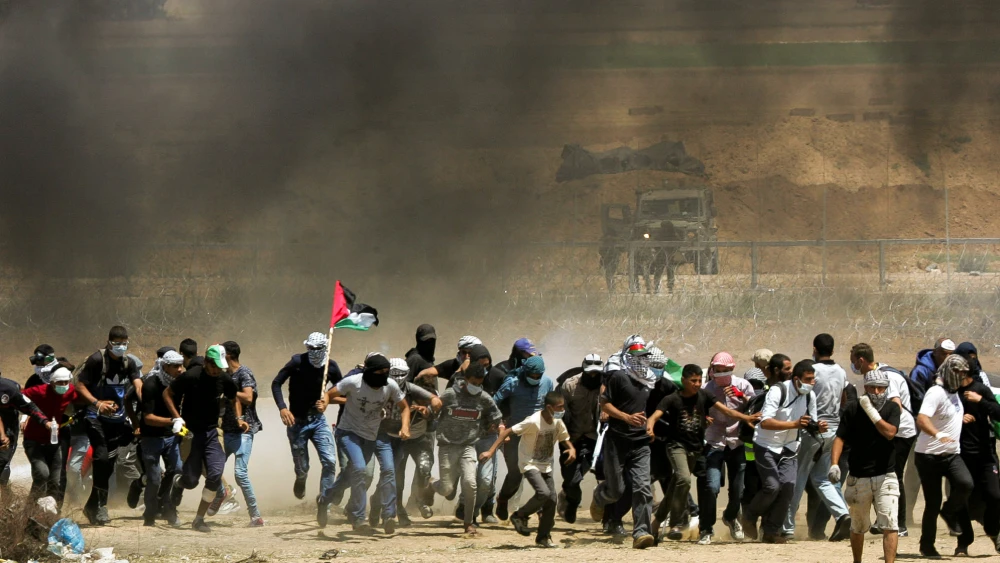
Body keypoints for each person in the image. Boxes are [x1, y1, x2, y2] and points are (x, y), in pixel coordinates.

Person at [648, 362, 758, 544]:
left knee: (677, 484)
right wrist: (650, 428)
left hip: (697, 449)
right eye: (693, 381)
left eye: (699, 380)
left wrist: (746, 417)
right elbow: (654, 416)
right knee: (683, 478)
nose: (697, 384)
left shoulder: (704, 395)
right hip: (677, 446)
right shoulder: (672, 398)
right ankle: (677, 521)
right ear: (683, 380)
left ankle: (657, 521)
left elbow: (727, 411)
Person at [165, 344, 245, 532]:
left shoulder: (224, 379)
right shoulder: (191, 376)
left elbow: (235, 398)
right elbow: (167, 393)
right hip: (190, 433)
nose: (217, 370)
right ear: (206, 363)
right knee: (191, 481)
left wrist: (239, 418)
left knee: (215, 475)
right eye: (214, 366)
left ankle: (199, 519)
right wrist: (177, 417)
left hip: (212, 432)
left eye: (220, 366)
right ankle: (179, 483)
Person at [326, 353, 409, 535]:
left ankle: (388, 516)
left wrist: (405, 426)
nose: (384, 375)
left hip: (378, 434)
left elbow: (405, 407)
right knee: (361, 471)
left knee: (388, 470)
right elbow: (329, 395)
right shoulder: (354, 381)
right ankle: (344, 508)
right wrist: (333, 402)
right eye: (381, 371)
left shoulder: (391, 385)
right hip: (352, 432)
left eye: (387, 372)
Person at [742, 359, 823, 544]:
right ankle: (749, 515)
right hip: (766, 445)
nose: (812, 383)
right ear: (796, 379)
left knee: (788, 488)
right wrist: (793, 424)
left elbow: (810, 422)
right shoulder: (779, 391)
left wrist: (818, 427)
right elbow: (765, 422)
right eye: (808, 379)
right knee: (772, 486)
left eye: (813, 379)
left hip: (790, 448)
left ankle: (771, 531)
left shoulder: (810, 396)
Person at [482, 391, 575, 548]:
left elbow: (564, 438)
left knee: (551, 500)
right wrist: (491, 451)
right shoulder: (533, 421)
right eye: (559, 407)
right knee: (543, 493)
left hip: (546, 465)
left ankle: (543, 537)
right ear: (549, 407)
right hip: (529, 463)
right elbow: (507, 431)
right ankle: (520, 515)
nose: (562, 410)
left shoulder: (557, 422)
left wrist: (571, 449)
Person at [589, 335, 657, 549]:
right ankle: (600, 495)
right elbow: (604, 404)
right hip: (617, 442)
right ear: (628, 357)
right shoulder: (618, 377)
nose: (640, 360)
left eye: (643, 356)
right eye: (636, 356)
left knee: (643, 488)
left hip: (640, 443)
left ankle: (641, 532)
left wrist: (651, 424)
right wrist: (626, 417)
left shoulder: (650, 380)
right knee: (616, 490)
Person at [271, 332, 343, 526]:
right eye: (311, 349)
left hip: (318, 420)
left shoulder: (331, 366)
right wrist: (282, 408)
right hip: (297, 421)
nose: (314, 352)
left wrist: (327, 401)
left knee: (329, 461)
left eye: (318, 349)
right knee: (303, 467)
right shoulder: (297, 362)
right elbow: (276, 383)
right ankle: (301, 478)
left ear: (325, 349)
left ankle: (324, 503)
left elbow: (341, 392)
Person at [73, 325, 143, 525]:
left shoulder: (128, 363)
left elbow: (137, 381)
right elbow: (80, 384)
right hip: (95, 417)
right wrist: (97, 403)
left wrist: (141, 391)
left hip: (117, 420)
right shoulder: (97, 360)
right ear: (109, 342)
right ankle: (101, 506)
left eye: (124, 344)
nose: (121, 347)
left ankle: (93, 505)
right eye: (117, 344)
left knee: (108, 466)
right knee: (102, 459)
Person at [829, 369, 901, 563]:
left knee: (890, 523)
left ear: (886, 388)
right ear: (865, 387)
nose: (876, 392)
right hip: (858, 476)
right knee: (858, 526)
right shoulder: (853, 409)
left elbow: (890, 433)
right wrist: (834, 464)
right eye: (872, 387)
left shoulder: (892, 408)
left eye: (881, 388)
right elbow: (840, 437)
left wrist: (871, 411)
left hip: (886, 475)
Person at [785, 334, 851, 541]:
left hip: (813, 429)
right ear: (832, 349)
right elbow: (844, 399)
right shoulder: (840, 371)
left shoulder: (812, 372)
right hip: (833, 429)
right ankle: (842, 515)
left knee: (799, 476)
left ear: (814, 348)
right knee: (822, 478)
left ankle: (787, 526)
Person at [850, 343, 915, 537]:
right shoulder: (878, 373)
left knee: (893, 475)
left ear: (861, 360)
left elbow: (896, 405)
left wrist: (876, 419)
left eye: (854, 361)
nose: (853, 366)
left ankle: (900, 524)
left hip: (900, 431)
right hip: (885, 431)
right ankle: (884, 519)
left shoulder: (886, 376)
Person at [913, 354, 974, 557]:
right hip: (928, 455)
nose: (962, 376)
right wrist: (938, 434)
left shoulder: (954, 392)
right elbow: (922, 419)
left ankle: (949, 511)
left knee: (966, 484)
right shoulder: (936, 392)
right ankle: (927, 545)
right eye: (958, 372)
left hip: (951, 454)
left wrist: (960, 418)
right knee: (932, 502)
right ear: (949, 372)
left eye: (964, 373)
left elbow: (947, 414)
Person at [433, 363, 501, 535]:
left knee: (470, 483)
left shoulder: (484, 398)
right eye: (473, 382)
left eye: (479, 383)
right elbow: (433, 410)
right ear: (465, 379)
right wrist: (427, 409)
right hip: (447, 446)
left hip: (468, 446)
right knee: (447, 489)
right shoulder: (450, 395)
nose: (476, 386)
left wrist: (498, 428)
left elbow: (496, 417)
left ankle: (468, 523)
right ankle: (431, 484)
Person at [373, 358, 440, 528]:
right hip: (397, 438)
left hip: (419, 438)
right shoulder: (392, 391)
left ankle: (421, 501)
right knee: (396, 477)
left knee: (425, 468)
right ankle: (392, 508)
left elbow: (437, 406)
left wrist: (427, 411)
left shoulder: (421, 391)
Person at [698, 352, 757, 542]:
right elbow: (698, 411)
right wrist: (704, 419)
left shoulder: (743, 385)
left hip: (737, 441)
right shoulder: (706, 388)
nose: (722, 374)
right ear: (712, 370)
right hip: (714, 441)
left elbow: (756, 409)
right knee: (712, 486)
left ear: (733, 369)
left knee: (738, 489)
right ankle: (706, 529)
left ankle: (731, 517)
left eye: (726, 370)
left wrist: (742, 397)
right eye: (718, 370)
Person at [491, 354, 553, 521]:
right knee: (516, 473)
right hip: (515, 433)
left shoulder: (547, 383)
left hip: (539, 435)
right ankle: (503, 499)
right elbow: (493, 403)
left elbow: (551, 404)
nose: (534, 378)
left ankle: (541, 509)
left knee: (542, 471)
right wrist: (500, 424)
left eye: (537, 376)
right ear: (525, 372)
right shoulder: (512, 383)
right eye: (531, 375)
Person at [953, 350, 1000, 555]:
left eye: (961, 371)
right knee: (961, 496)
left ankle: (993, 531)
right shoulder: (948, 392)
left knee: (995, 496)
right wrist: (958, 418)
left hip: (984, 454)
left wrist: (980, 401)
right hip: (959, 455)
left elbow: (998, 412)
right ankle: (963, 542)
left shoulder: (980, 390)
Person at [218, 341, 264, 527]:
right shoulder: (223, 375)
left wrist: (230, 394)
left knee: (240, 473)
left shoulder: (243, 373)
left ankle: (255, 515)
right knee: (213, 468)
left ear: (229, 355)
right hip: (226, 429)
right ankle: (223, 495)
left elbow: (248, 397)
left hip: (244, 430)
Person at [138, 351, 185, 526]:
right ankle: (150, 513)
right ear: (165, 366)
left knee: (177, 471)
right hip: (151, 438)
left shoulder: (179, 384)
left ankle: (169, 508)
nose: (180, 370)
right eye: (175, 366)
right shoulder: (150, 384)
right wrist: (172, 421)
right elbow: (148, 418)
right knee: (155, 478)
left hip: (170, 436)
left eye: (181, 365)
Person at [21, 367, 79, 506]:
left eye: (66, 382)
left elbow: (79, 398)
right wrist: (24, 417)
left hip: (54, 441)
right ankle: (31, 508)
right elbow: (19, 396)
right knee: (42, 474)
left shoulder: (70, 391)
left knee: (56, 479)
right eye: (59, 383)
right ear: (52, 383)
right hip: (33, 441)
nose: (63, 386)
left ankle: (50, 512)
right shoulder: (39, 391)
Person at [556, 353, 603, 524]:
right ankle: (571, 500)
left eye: (596, 373)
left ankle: (607, 514)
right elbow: (560, 416)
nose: (593, 376)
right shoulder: (569, 385)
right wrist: (566, 443)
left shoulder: (607, 386)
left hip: (595, 438)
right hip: (571, 438)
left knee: (600, 473)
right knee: (572, 478)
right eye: (589, 372)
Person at [0, 372, 51, 501]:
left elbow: (29, 406)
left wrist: (45, 421)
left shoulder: (9, 389)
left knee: (3, 463)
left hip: (7, 428)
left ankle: (5, 497)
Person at [414, 335, 482, 388]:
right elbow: (425, 373)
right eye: (464, 352)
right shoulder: (452, 365)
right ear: (459, 352)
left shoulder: (485, 368)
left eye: (470, 353)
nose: (467, 356)